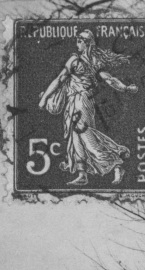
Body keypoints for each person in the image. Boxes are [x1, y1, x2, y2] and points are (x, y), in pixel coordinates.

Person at [38, 29, 139, 186]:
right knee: (77, 138)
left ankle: (116, 162)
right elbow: (110, 80)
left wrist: (44, 99)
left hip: (81, 102)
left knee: (86, 138)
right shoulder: (93, 62)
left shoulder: (78, 61)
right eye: (77, 39)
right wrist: (125, 88)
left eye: (80, 40)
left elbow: (60, 80)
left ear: (87, 44)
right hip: (77, 102)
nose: (77, 42)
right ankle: (82, 174)